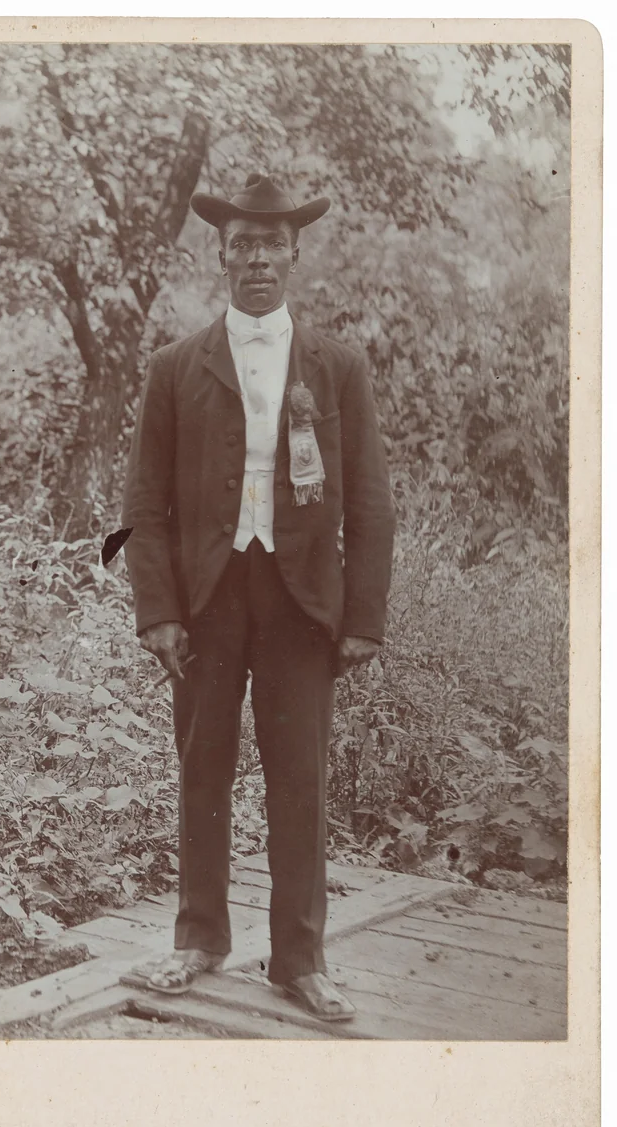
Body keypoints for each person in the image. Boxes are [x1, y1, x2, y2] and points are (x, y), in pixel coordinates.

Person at [122, 173, 395, 1021]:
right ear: (222, 256)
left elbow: (372, 502)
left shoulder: (338, 367)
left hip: (301, 601)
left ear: (294, 255)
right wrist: (160, 610)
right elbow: (143, 504)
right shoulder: (174, 367)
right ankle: (199, 939)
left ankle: (299, 961)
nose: (257, 260)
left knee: (299, 781)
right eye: (241, 245)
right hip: (206, 598)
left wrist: (364, 618)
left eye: (271, 245)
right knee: (201, 770)